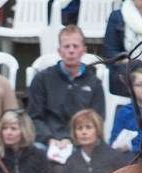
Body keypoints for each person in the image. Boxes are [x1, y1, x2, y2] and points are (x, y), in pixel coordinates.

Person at [27, 25, 105, 154]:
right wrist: (49, 139)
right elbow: (34, 117)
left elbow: (98, 119)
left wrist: (71, 140)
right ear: (59, 51)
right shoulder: (42, 79)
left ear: (83, 50)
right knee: (35, 151)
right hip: (47, 142)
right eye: (66, 46)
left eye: (75, 46)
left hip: (81, 143)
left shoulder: (94, 83)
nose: (71, 51)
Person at [60, 109, 131, 173]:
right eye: (79, 128)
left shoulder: (115, 157)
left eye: (88, 127)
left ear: (98, 130)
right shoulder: (71, 160)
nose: (84, 132)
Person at [110, 66, 142, 156]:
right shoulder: (124, 112)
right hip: (129, 161)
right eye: (140, 84)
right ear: (130, 89)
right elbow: (113, 142)